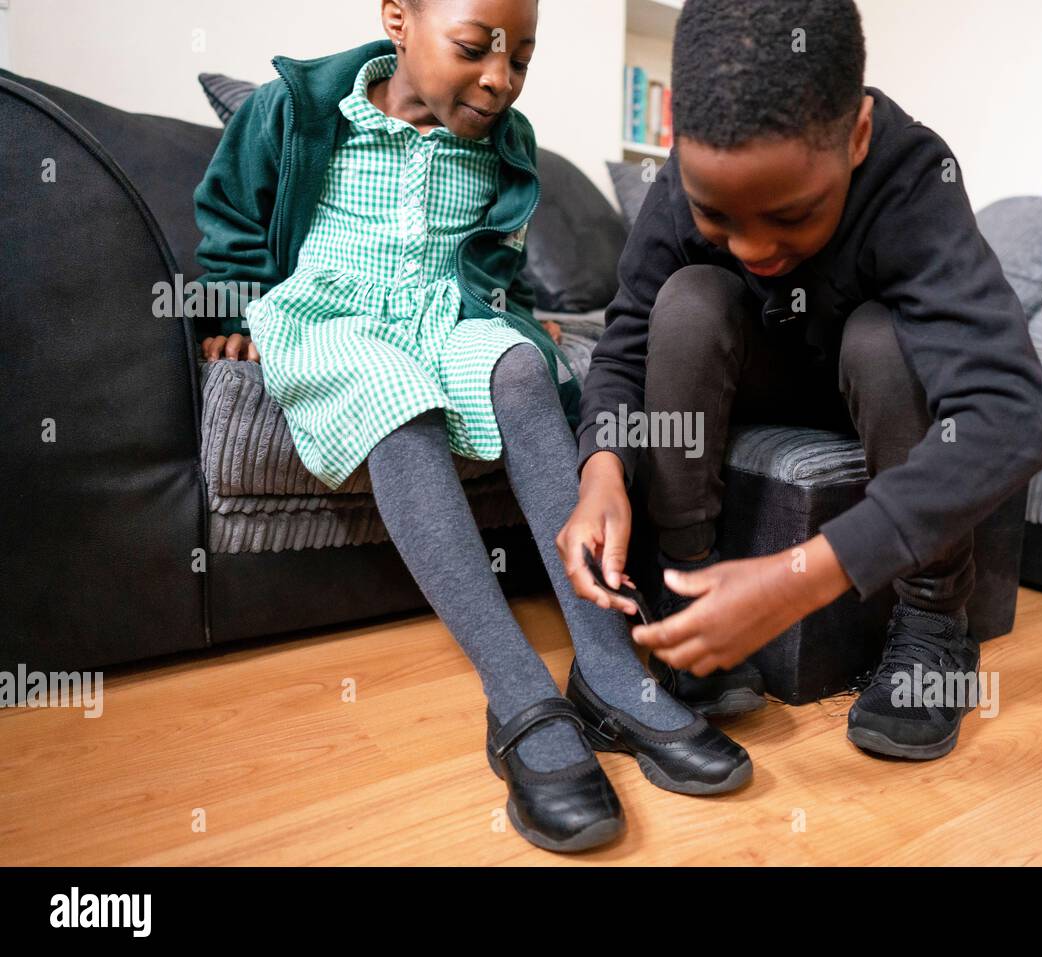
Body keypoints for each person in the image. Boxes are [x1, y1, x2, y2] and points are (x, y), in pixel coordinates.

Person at [192, 0, 750, 854]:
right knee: (394, 392)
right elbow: (233, 211)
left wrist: (514, 316)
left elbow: (491, 258)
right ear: (398, 21)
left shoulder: (502, 140)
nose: (499, 78)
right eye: (475, 49)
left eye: (521, 58)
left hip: (444, 312)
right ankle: (521, 694)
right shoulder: (299, 106)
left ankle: (607, 671)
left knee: (526, 367)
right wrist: (229, 305)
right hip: (332, 318)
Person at [558, 0, 1042, 760]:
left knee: (883, 335)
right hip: (760, 370)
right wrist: (601, 473)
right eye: (717, 215)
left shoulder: (913, 176)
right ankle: (689, 589)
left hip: (869, 387)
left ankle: (933, 625)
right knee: (687, 301)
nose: (755, 246)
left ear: (855, 138)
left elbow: (1013, 412)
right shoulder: (681, 178)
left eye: (792, 214)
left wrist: (802, 574)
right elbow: (625, 337)